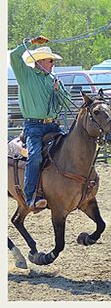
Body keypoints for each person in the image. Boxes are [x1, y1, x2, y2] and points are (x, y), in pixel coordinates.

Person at [10, 36, 73, 211]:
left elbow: (66, 102)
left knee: (70, 149)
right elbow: (15, 57)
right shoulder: (26, 76)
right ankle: (30, 196)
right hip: (34, 127)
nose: (53, 64)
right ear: (39, 62)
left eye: (53, 61)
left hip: (53, 125)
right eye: (50, 61)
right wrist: (31, 42)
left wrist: (58, 91)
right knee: (35, 156)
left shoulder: (52, 79)